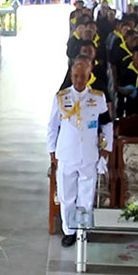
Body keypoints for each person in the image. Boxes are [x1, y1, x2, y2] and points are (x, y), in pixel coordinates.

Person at [46, 60, 113, 247]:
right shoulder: (61, 97)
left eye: (83, 76)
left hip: (89, 154)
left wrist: (106, 150)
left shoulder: (98, 98)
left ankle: (82, 230)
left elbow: (106, 125)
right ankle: (69, 231)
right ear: (71, 75)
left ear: (89, 76)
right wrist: (51, 150)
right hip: (66, 154)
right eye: (75, 76)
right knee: (67, 196)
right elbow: (53, 126)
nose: (79, 80)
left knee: (86, 196)